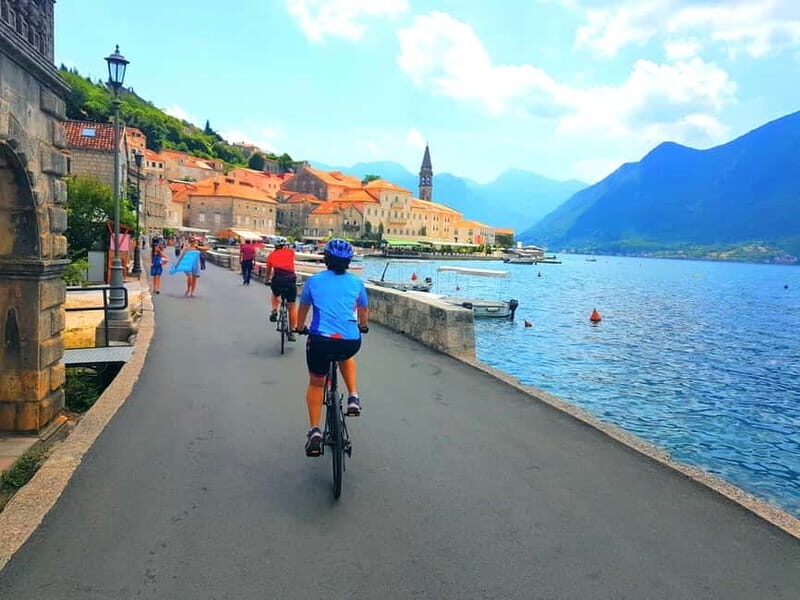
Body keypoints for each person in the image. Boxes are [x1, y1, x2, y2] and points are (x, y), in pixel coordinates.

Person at [296, 238, 369, 457]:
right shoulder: (357, 283)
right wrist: (362, 327)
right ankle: (353, 397)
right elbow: (363, 312)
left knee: (317, 383)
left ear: (326, 259)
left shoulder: (314, 281)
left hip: (320, 340)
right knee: (345, 355)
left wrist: (300, 327)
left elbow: (303, 309)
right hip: (350, 341)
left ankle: (315, 431)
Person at [265, 237, 298, 342]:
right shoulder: (290, 253)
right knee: (292, 306)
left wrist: (266, 281)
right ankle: (292, 330)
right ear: (284, 246)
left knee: (275, 294)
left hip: (278, 280)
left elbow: (268, 272)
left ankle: (274, 310)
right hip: (290, 280)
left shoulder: (271, 256)